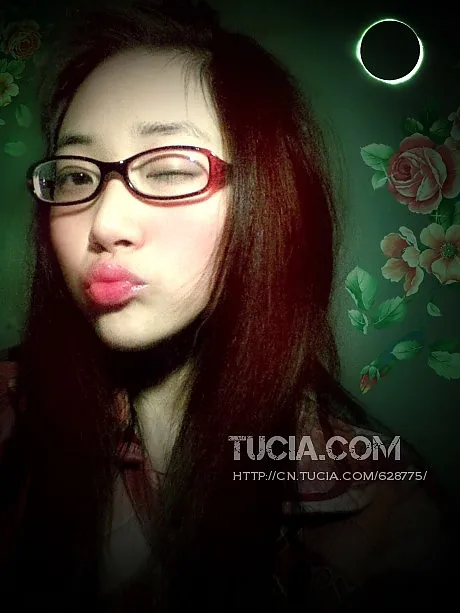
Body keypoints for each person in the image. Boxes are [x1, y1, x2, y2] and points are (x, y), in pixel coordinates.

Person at [0, 1, 454, 611]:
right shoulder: (12, 414)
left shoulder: (376, 505)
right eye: (76, 176)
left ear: (264, 202)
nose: (104, 224)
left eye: (169, 170)